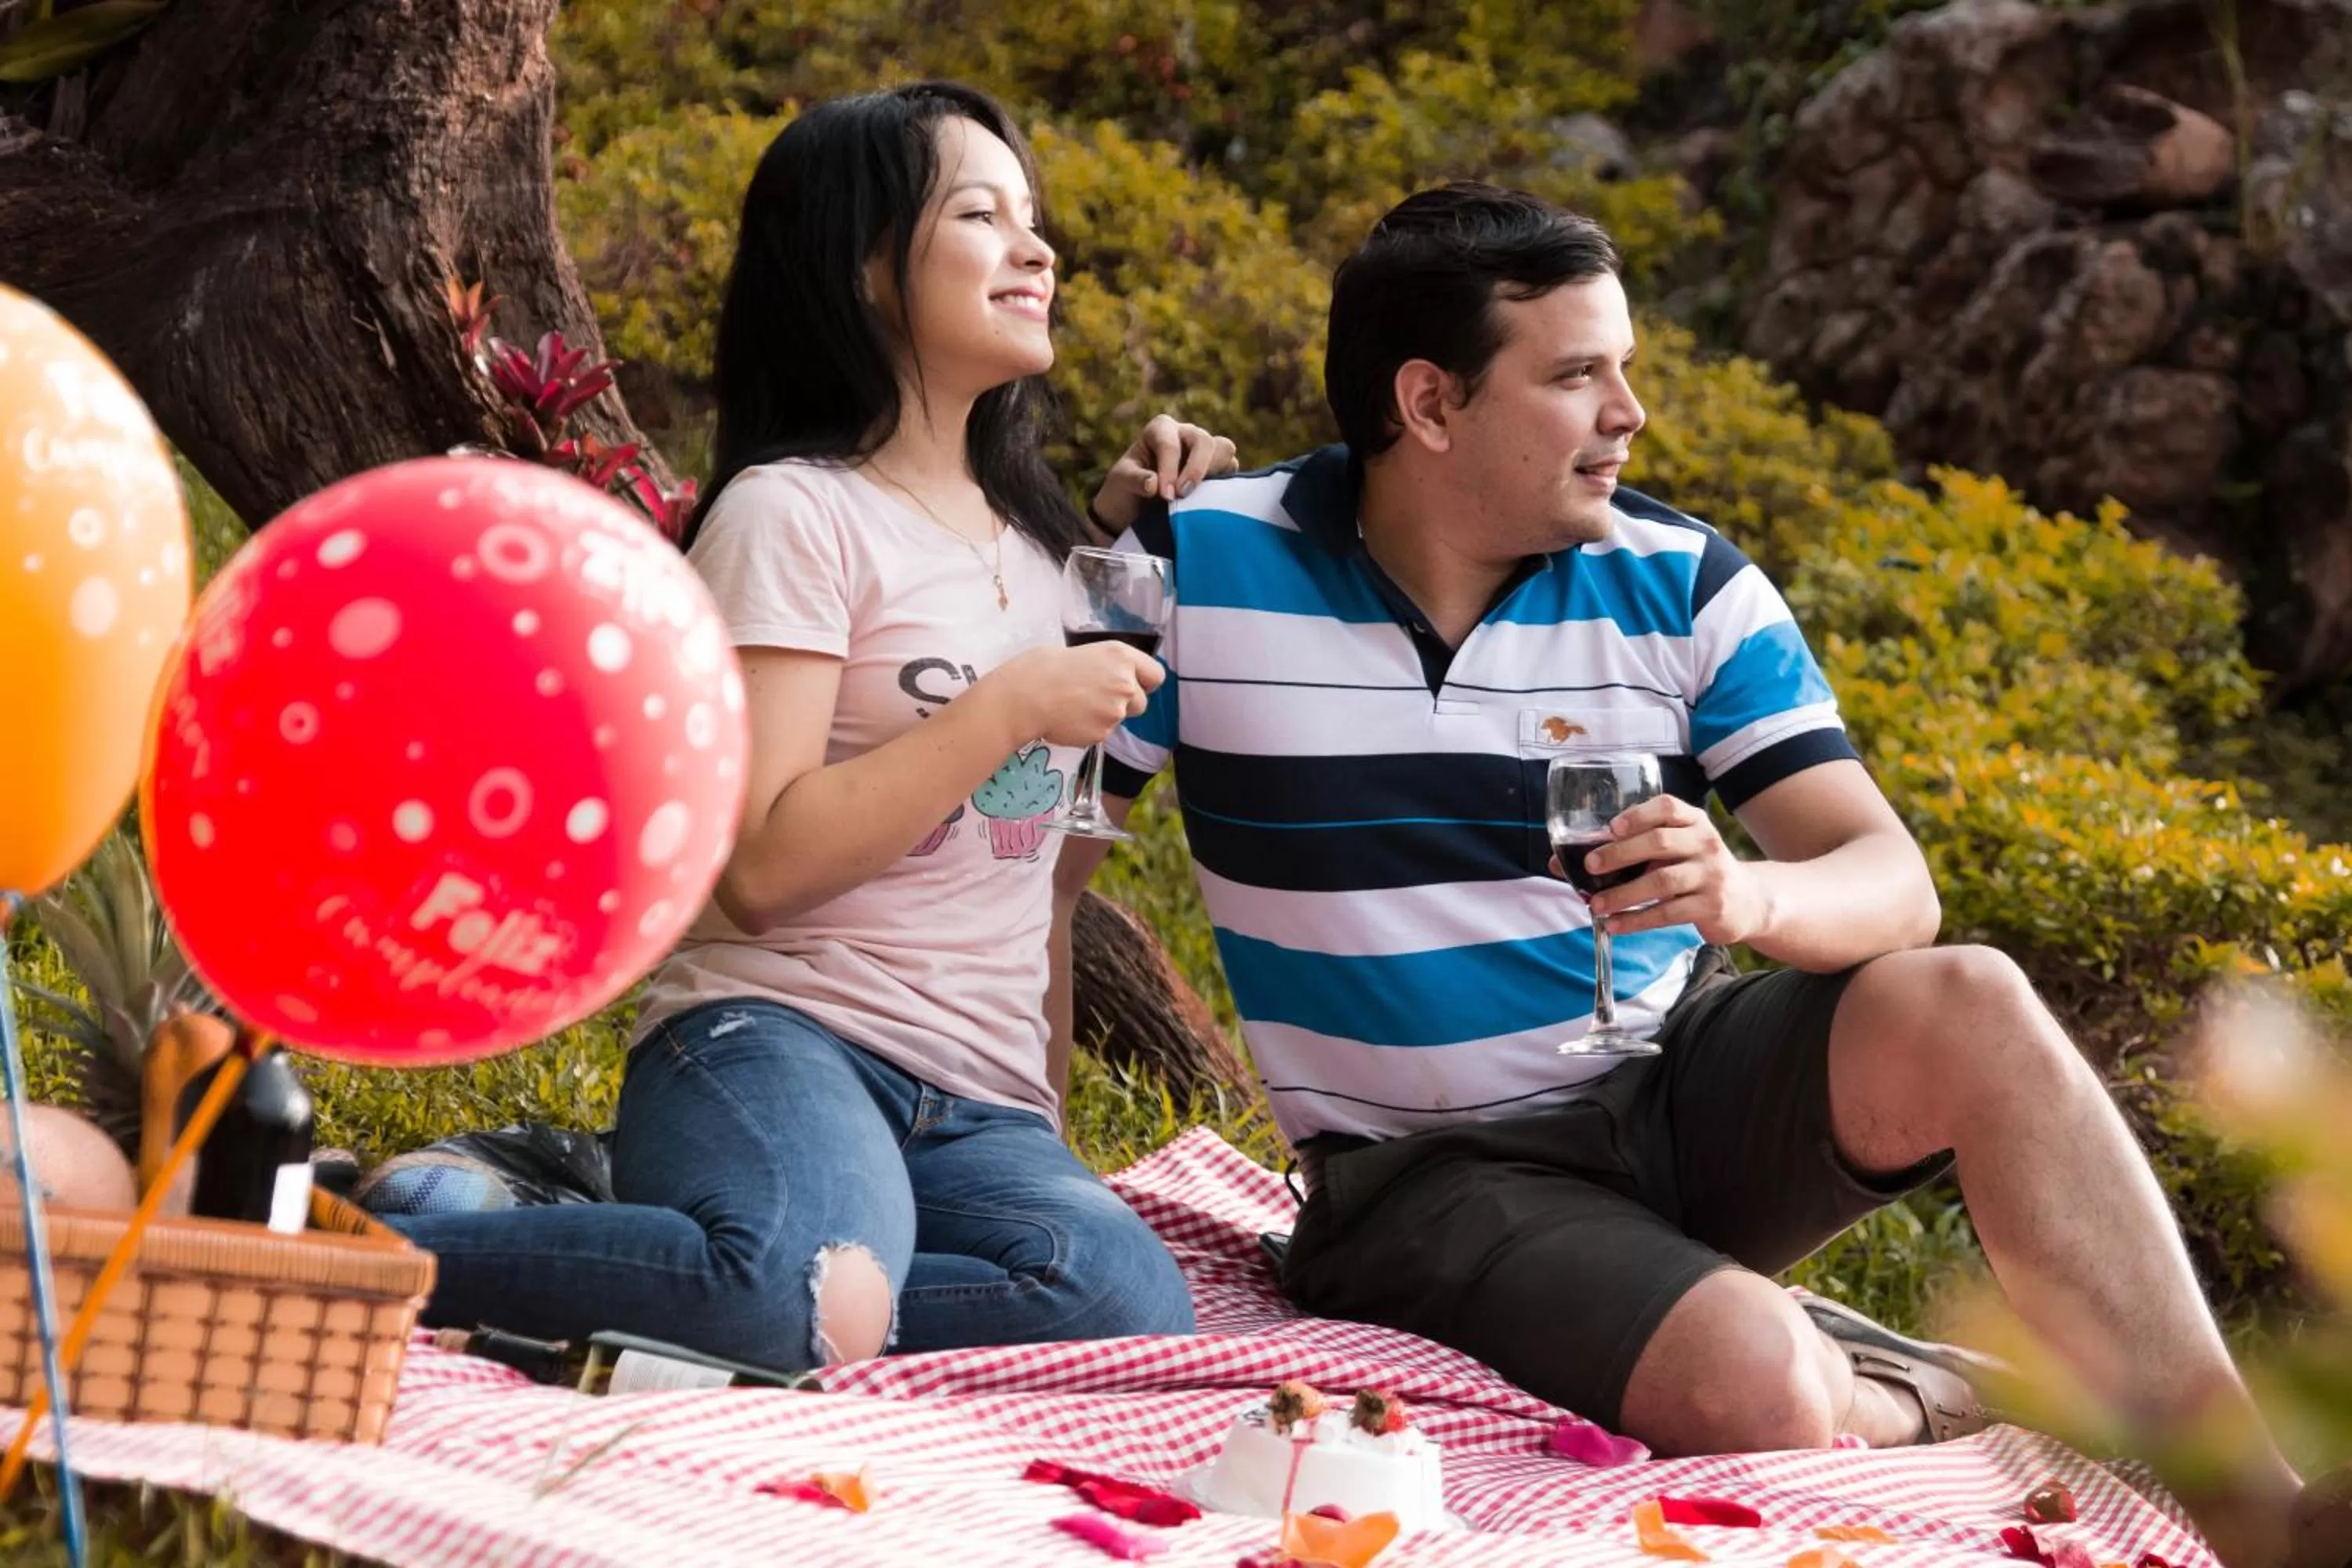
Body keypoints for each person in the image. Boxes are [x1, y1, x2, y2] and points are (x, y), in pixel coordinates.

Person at [1060, 183, 2308, 1566]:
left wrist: (1743, 897)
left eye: (1628, 367)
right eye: (1579, 372)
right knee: (1757, 1386)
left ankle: (2257, 1506)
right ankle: (1904, 1386)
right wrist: (1026, 1161)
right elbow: (1042, 870)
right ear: (1429, 403)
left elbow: (1893, 882)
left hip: (1677, 1082)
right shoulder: (1202, 568)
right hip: (1430, 1174)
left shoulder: (1684, 583)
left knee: (1972, 999)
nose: (1629, 411)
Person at [384, 82, 1236, 1372]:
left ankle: (643, 1227)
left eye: (1035, 219)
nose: (1039, 248)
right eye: (982, 215)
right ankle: (318, 1236)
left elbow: (1039, 874)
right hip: (780, 1037)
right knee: (798, 1288)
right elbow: (763, 864)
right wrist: (1007, 706)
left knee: (1117, 1308)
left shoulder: (1052, 558)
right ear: (867, 273)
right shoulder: (792, 518)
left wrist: (1130, 529)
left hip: (978, 1101)